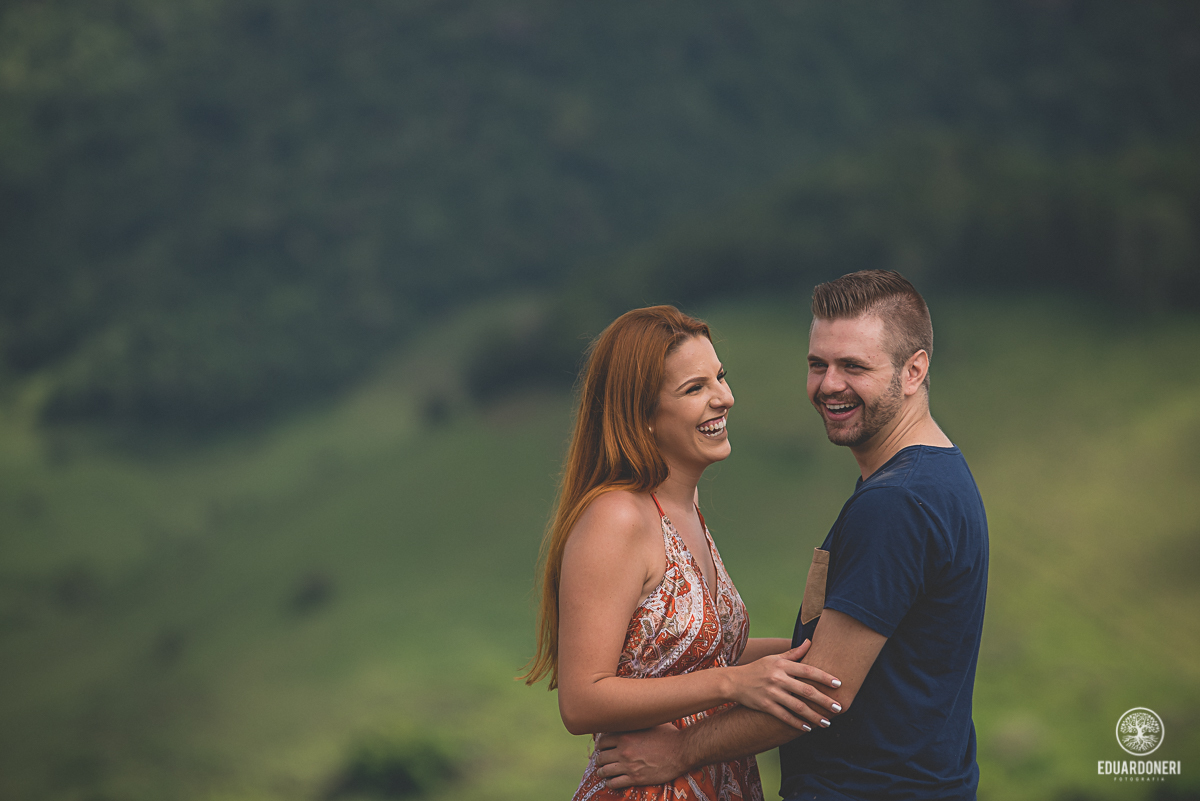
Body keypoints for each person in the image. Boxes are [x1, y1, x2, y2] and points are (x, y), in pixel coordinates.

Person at [594, 271, 990, 800]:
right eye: (818, 364)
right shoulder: (935, 475)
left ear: (914, 370)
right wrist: (705, 663)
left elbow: (824, 690)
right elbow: (855, 656)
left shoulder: (897, 502)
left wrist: (681, 749)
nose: (829, 384)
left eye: (853, 366)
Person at [522, 305, 844, 801]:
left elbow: (701, 655)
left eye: (720, 377)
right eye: (695, 389)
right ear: (643, 416)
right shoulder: (617, 518)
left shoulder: (683, 509)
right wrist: (733, 684)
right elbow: (582, 699)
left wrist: (825, 651)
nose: (724, 398)